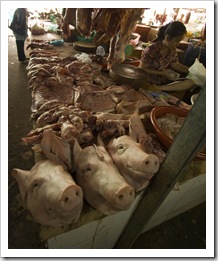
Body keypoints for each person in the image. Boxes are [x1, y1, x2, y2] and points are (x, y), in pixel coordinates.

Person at [139, 21, 195, 99]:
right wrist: (162, 73)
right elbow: (141, 69)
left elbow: (175, 64)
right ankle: (156, 89)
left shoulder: (172, 50)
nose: (178, 44)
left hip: (163, 82)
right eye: (177, 41)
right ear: (167, 38)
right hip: (149, 81)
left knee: (191, 82)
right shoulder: (151, 49)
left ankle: (159, 89)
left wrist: (191, 71)